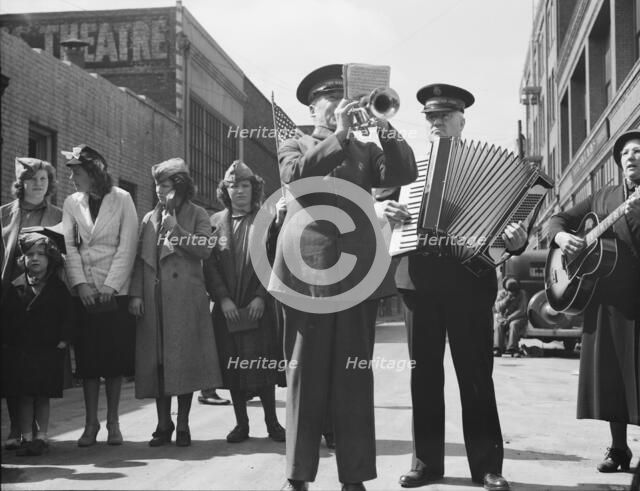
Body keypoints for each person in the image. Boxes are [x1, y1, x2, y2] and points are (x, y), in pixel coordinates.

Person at [273, 64, 417, 491]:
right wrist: (339, 134)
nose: (340, 105)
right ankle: (298, 475)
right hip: (306, 275)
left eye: (346, 98)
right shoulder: (293, 142)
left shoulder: (365, 149)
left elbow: (404, 172)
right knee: (305, 375)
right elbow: (298, 178)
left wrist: (384, 126)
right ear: (314, 107)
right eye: (331, 99)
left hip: (356, 276)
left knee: (354, 378)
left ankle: (354, 477)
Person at [380, 84, 527, 491]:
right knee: (423, 376)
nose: (437, 123)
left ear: (462, 120)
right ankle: (425, 462)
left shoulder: (492, 168)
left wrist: (516, 239)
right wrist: (386, 210)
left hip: (470, 281)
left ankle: (486, 467)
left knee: (476, 376)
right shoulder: (407, 164)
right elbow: (377, 201)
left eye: (445, 116)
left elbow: (515, 226)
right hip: (418, 279)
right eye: (430, 117)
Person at [547, 129, 640, 473]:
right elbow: (560, 219)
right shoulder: (603, 196)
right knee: (613, 377)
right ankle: (618, 449)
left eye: (638, 151)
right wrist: (561, 237)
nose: (631, 156)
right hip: (607, 301)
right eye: (625, 152)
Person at [129, 158, 223, 447]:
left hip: (184, 302)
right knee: (157, 364)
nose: (159, 189)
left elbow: (206, 250)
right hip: (155, 301)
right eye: (157, 184)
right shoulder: (148, 218)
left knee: (183, 363)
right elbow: (139, 262)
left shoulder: (198, 214)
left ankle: (182, 425)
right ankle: (162, 424)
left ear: (179, 186)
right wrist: (136, 295)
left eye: (165, 184)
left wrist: (177, 230)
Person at [203, 160, 286, 444]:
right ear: (225, 190)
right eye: (232, 185)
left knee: (262, 367)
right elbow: (209, 266)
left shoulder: (268, 218)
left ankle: (273, 423)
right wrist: (222, 299)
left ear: (254, 188)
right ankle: (242, 424)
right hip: (228, 308)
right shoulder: (214, 223)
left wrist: (262, 297)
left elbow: (276, 258)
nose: (239, 190)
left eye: (244, 185)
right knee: (234, 366)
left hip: (258, 306)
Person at [61, 144, 138, 447]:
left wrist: (111, 286)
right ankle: (90, 423)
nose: (72, 179)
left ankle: (114, 423)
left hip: (113, 295)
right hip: (86, 295)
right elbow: (71, 245)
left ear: (93, 172)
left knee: (114, 363)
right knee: (89, 363)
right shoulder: (72, 203)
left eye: (77, 172)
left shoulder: (122, 199)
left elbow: (128, 244)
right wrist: (80, 285)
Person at [1, 158, 62, 450]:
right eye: (33, 179)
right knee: (14, 364)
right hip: (11, 298)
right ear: (21, 183)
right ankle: (17, 428)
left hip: (44, 299)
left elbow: (62, 259)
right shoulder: (4, 214)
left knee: (37, 369)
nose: (39, 184)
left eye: (44, 179)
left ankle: (38, 431)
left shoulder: (58, 215)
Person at [2, 228, 73, 456]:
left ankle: (41, 437)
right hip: (22, 351)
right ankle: (26, 436)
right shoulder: (15, 287)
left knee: (42, 394)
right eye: (30, 254)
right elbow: (8, 319)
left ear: (50, 259)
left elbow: (66, 316)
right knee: (24, 395)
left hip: (48, 350)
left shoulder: (58, 288)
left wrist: (63, 339)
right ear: (23, 259)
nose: (35, 258)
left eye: (40, 254)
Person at [493, 278, 528, 357]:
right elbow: (498, 308)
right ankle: (497, 348)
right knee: (498, 324)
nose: (513, 292)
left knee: (514, 324)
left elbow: (522, 310)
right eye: (510, 290)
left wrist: (509, 318)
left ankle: (512, 348)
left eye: (514, 290)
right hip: (504, 317)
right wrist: (507, 299)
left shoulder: (522, 294)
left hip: (518, 318)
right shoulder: (501, 294)